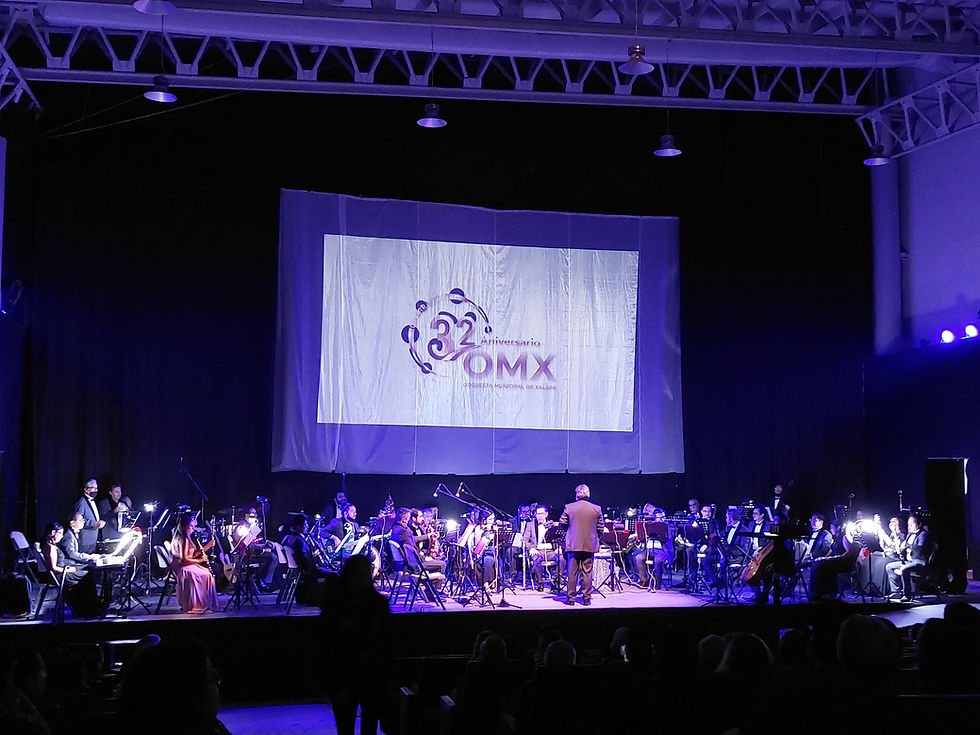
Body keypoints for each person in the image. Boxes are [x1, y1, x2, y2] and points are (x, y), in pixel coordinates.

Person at [320, 555, 392, 735]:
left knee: (369, 726)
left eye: (365, 575)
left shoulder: (379, 604)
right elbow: (327, 642)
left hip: (371, 674)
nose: (362, 580)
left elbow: (388, 640)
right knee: (346, 726)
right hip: (343, 674)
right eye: (358, 575)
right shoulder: (336, 605)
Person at [42, 521, 102, 618]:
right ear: (53, 533)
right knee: (86, 576)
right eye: (60, 533)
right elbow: (54, 568)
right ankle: (90, 609)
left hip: (63, 570)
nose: (62, 536)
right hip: (60, 575)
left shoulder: (53, 546)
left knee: (87, 572)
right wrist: (68, 570)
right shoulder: (50, 548)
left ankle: (92, 606)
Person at [559, 484, 602, 605]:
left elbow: (562, 523)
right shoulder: (596, 509)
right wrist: (595, 538)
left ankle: (571, 599)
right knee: (587, 572)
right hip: (589, 544)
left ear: (576, 494)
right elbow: (600, 528)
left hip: (573, 545)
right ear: (588, 494)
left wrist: (571, 532)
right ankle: (586, 598)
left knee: (572, 572)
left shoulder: (569, 507)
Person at [170, 512, 218, 614]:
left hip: (183, 565)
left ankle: (204, 603)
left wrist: (207, 547)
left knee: (206, 572)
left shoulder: (183, 536)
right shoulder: (184, 539)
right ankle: (198, 604)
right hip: (182, 568)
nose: (193, 529)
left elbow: (192, 554)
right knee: (206, 575)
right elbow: (184, 559)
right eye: (191, 526)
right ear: (185, 526)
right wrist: (201, 560)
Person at [390, 507, 445, 592]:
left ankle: (430, 589)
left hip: (408, 563)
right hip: (413, 566)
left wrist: (427, 536)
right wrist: (424, 558)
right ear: (404, 519)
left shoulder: (397, 528)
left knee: (437, 560)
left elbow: (412, 540)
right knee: (442, 564)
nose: (409, 521)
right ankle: (432, 592)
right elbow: (410, 550)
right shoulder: (402, 531)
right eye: (408, 518)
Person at [885, 513, 930, 601]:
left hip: (919, 562)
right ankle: (896, 591)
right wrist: (901, 548)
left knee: (904, 569)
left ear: (919, 524)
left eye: (912, 524)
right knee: (889, 566)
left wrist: (907, 546)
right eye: (908, 524)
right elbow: (903, 546)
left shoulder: (923, 534)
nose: (909, 526)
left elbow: (919, 548)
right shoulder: (909, 535)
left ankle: (907, 594)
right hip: (909, 562)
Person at [522, 505, 563, 592]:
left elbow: (559, 538)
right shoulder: (530, 525)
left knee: (562, 559)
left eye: (542, 514)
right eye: (538, 514)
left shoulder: (552, 525)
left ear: (546, 514)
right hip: (537, 551)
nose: (540, 516)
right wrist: (531, 549)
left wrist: (558, 548)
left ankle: (555, 582)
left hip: (550, 551)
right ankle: (540, 583)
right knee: (536, 559)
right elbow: (524, 539)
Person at [72, 478, 105, 554]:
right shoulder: (81, 502)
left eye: (97, 488)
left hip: (93, 539)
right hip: (85, 540)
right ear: (86, 489)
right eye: (94, 488)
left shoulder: (92, 501)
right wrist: (96, 524)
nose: (96, 490)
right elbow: (78, 521)